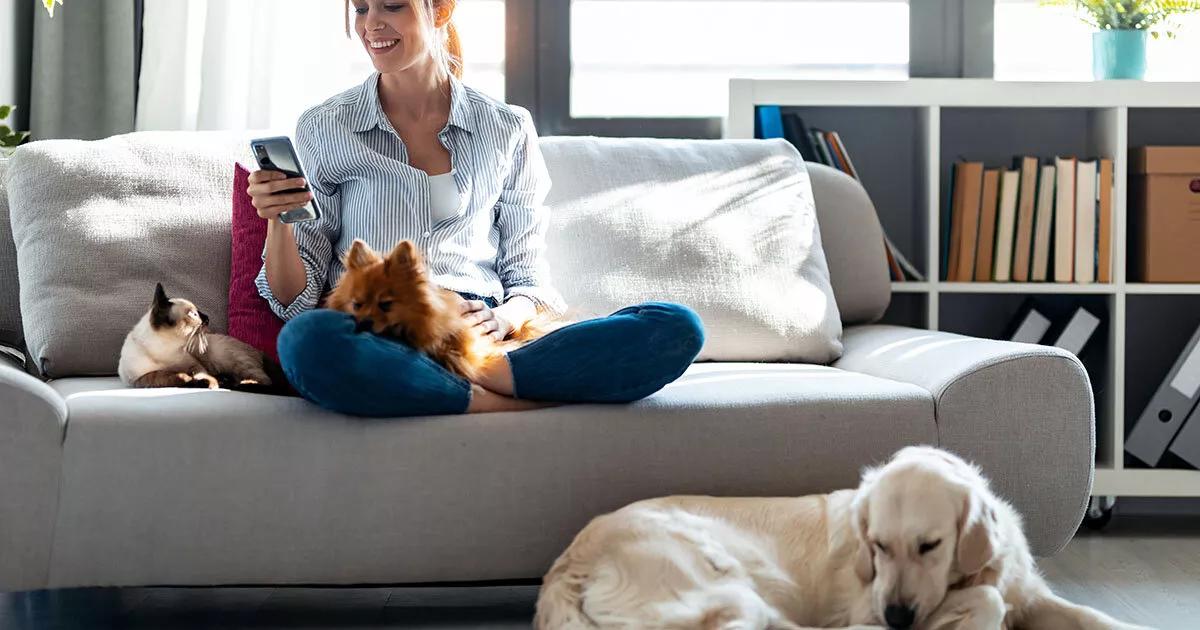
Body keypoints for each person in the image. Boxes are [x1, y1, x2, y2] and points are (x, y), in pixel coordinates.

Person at [247, 0, 703, 417]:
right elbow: (294, 300)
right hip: (378, 332)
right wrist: (276, 221)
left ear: (440, 10)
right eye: (361, 8)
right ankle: (493, 397)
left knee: (674, 327)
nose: (371, 25)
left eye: (391, 5)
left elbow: (528, 281)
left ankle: (478, 376)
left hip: (481, 333)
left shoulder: (506, 127)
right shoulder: (325, 125)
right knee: (307, 340)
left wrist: (502, 318)